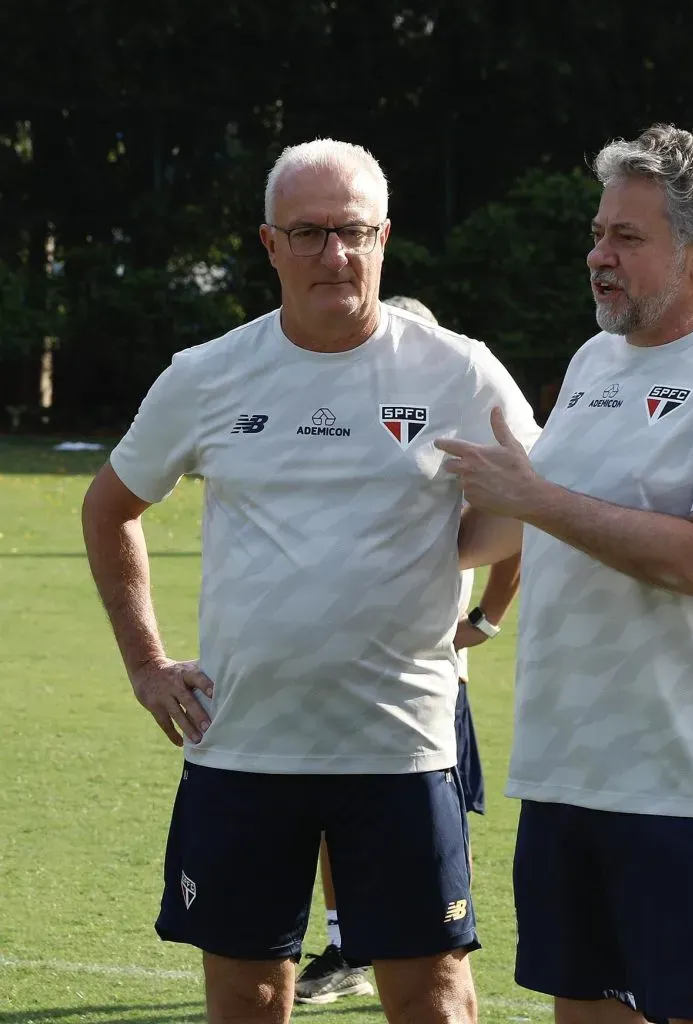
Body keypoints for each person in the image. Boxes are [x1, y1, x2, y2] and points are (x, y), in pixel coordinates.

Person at [81, 138, 540, 1024]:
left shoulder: (457, 368)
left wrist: (445, 571)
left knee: (434, 997)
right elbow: (109, 509)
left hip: (401, 742)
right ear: (269, 244)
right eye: (309, 233)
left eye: (354, 233)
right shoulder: (207, 374)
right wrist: (146, 663)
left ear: (384, 239)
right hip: (246, 741)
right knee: (249, 996)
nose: (334, 254)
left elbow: (535, 500)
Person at [436, 123, 693, 1024]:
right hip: (568, 770)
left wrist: (534, 501)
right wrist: (362, 546)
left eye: (626, 237)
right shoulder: (594, 361)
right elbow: (520, 514)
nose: (597, 255)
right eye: (597, 232)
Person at [294, 296, 523, 1006]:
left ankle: (443, 942)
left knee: (438, 829)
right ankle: (346, 943)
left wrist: (484, 621)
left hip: (426, 676)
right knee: (331, 818)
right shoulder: (339, 423)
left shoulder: (452, 421)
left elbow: (520, 526)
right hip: (327, 674)